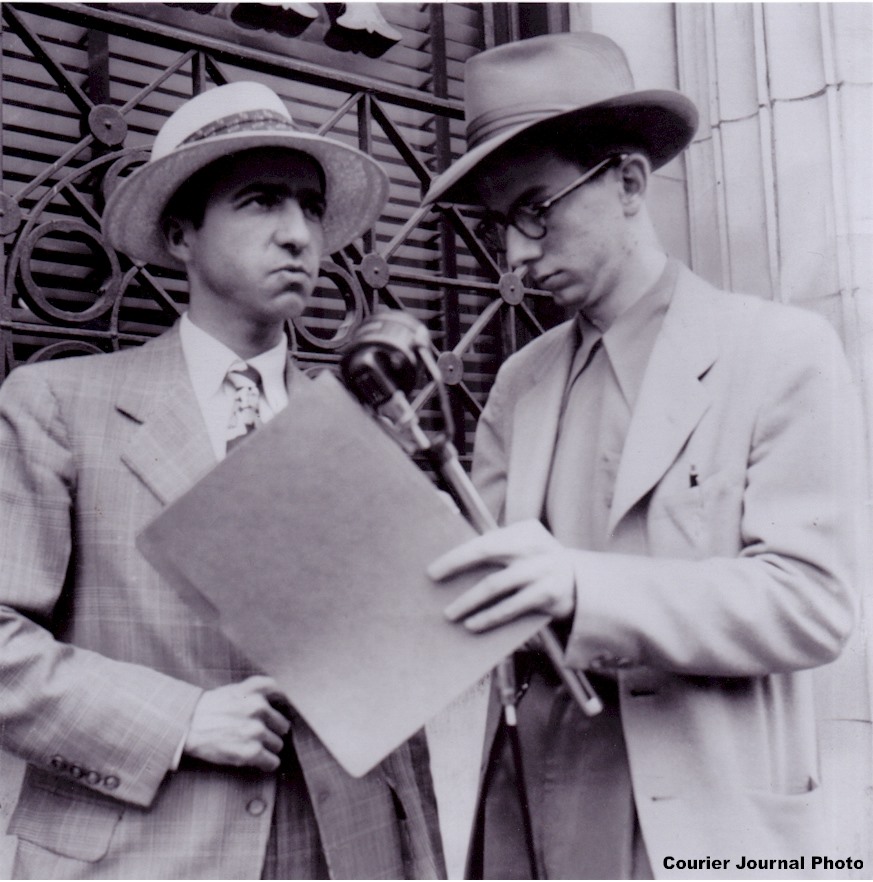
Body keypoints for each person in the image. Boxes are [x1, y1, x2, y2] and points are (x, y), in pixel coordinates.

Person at [423, 32, 861, 879]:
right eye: (498, 224)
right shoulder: (520, 381)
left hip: (709, 827)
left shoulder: (779, 350)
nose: (513, 256)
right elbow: (478, 602)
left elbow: (813, 603)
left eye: (535, 210)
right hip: (529, 818)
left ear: (628, 182)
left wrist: (586, 587)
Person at [0, 81, 445, 880]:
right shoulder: (59, 406)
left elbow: (401, 684)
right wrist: (181, 719)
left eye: (310, 209)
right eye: (261, 202)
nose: (298, 235)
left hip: (348, 847)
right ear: (180, 236)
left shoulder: (363, 420)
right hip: (149, 848)